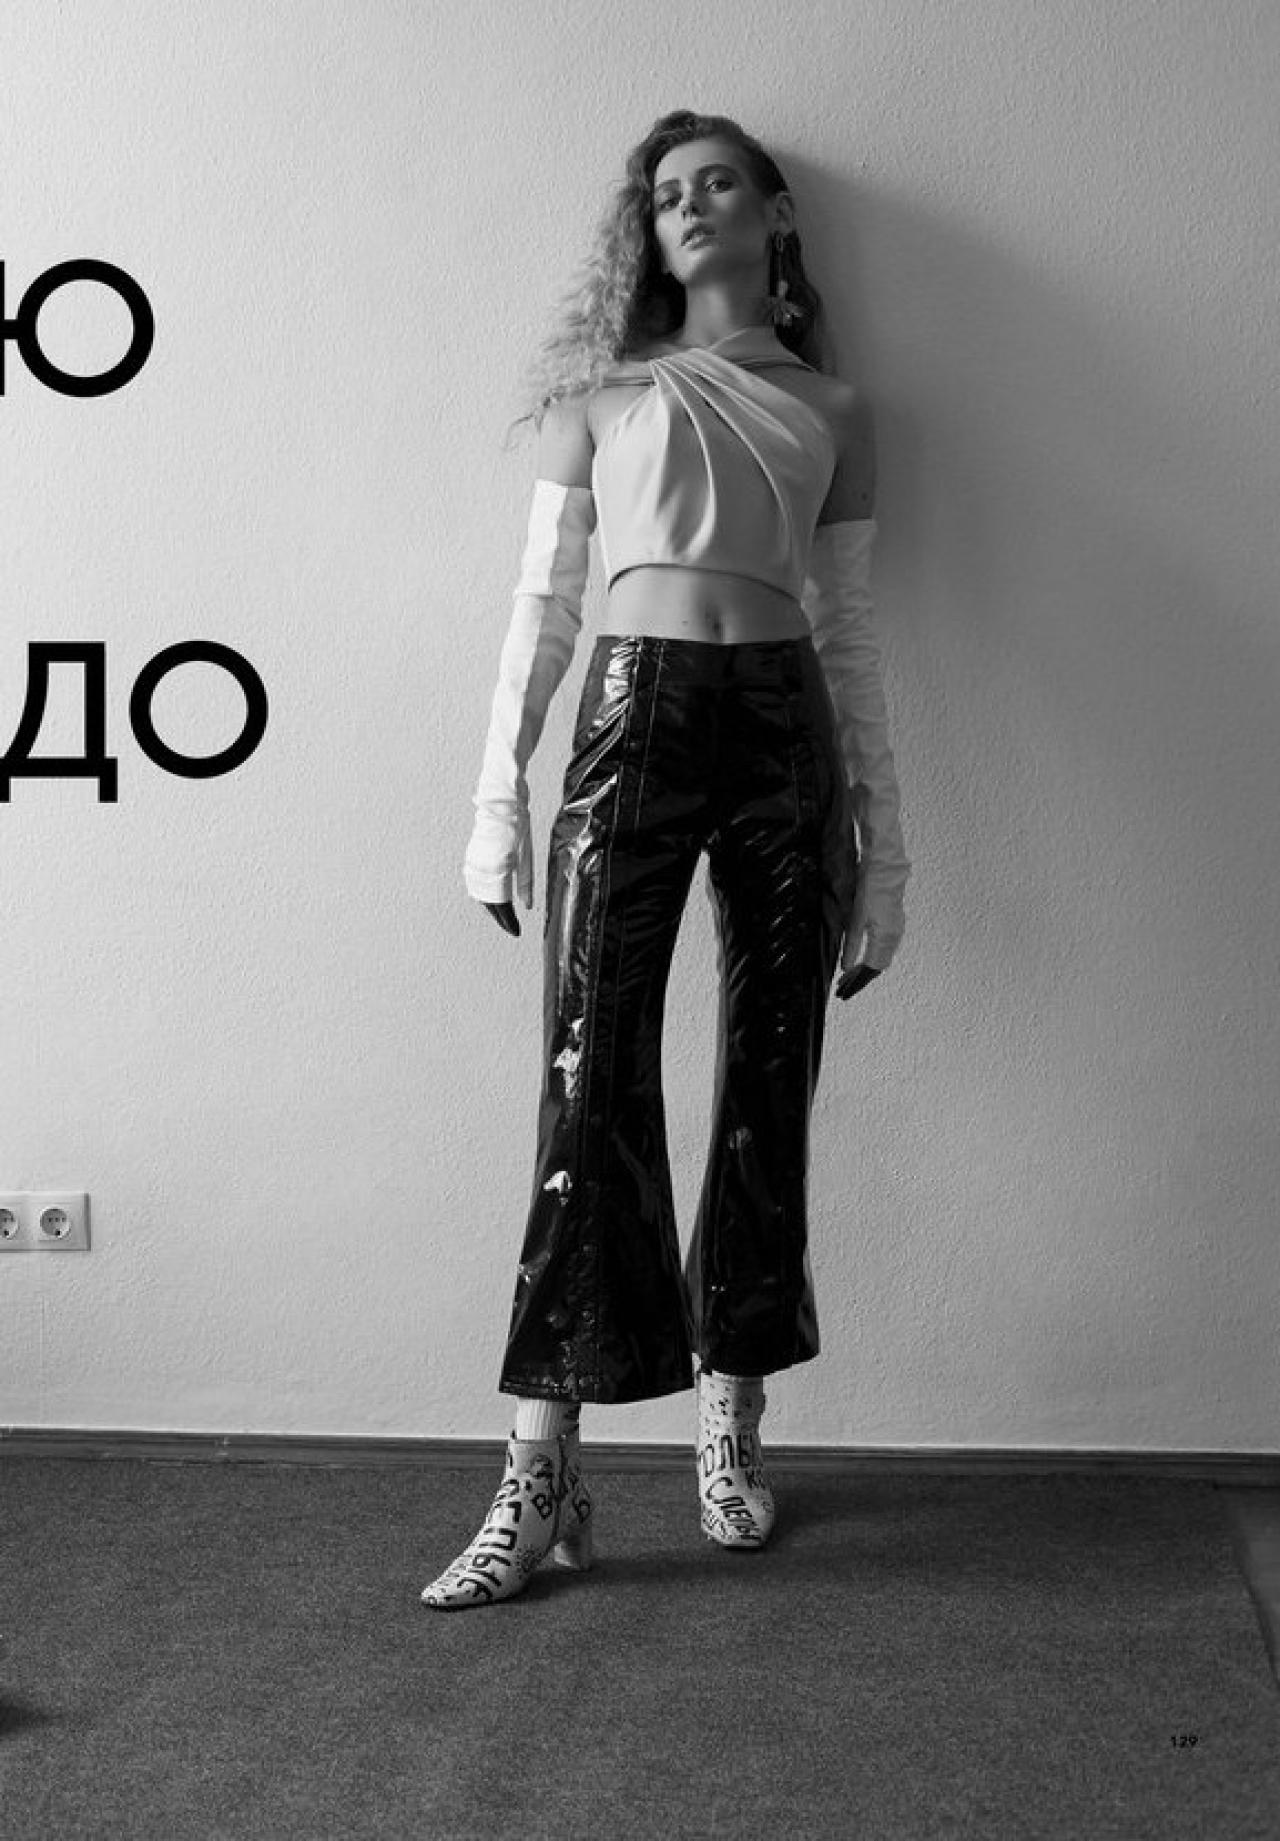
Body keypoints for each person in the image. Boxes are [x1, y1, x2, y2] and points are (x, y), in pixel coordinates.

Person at [421, 109, 910, 1610]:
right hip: (631, 714)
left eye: (718, 185)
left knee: (770, 1074)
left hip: (779, 728)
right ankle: (541, 1466)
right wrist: (497, 801)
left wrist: (884, 854)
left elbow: (847, 634)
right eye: (666, 195)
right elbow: (542, 611)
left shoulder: (835, 408)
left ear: (774, 213)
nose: (690, 208)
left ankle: (730, 1411)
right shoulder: (604, 399)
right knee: (589, 1074)